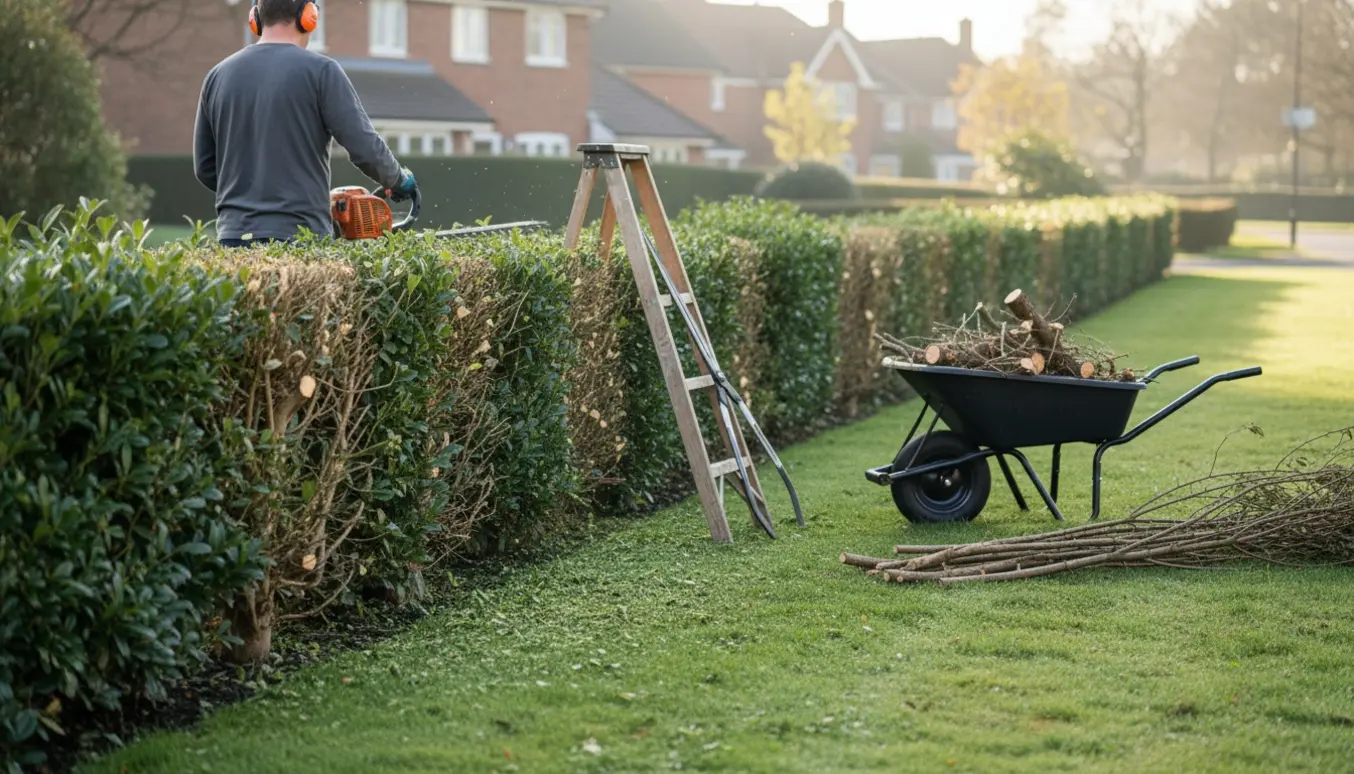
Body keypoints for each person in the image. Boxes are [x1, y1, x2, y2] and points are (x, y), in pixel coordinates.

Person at [192, 0, 417, 247]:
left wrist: (251, 197)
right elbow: (364, 147)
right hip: (299, 237)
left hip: (233, 236)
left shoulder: (217, 76)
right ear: (309, 16)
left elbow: (205, 167)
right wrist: (398, 181)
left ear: (255, 18)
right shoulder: (322, 72)